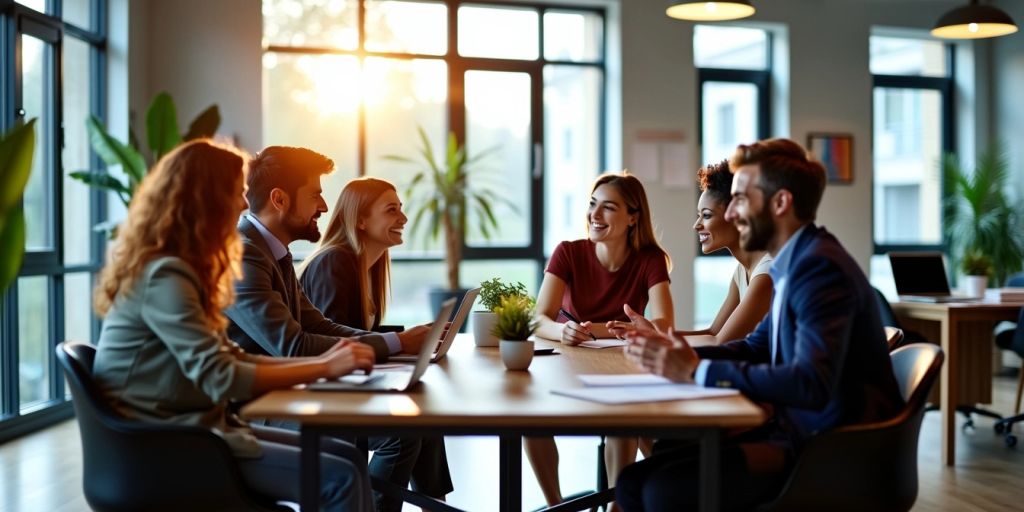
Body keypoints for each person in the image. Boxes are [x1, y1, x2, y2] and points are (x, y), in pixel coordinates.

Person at [617, 138, 904, 511]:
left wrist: (697, 370)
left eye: (740, 199)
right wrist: (676, 354)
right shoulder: (796, 261)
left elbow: (809, 382)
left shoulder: (819, 269)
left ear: (780, 203)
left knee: (659, 490)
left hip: (831, 454)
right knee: (634, 480)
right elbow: (756, 345)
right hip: (800, 436)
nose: (732, 213)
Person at [91, 139, 376, 511]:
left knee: (349, 459)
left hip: (196, 430)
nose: (244, 204)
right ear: (204, 201)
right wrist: (324, 366)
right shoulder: (166, 275)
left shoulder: (182, 268)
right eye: (236, 193)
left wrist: (331, 361)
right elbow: (220, 375)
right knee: (340, 478)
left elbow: (230, 356)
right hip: (166, 446)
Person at [224, 146, 452, 512]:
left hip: (284, 390)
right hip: (255, 404)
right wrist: (394, 343)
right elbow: (294, 346)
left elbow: (319, 324)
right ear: (279, 199)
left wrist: (398, 342)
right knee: (401, 428)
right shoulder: (244, 254)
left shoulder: (273, 253)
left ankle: (427, 503)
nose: (325, 207)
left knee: (412, 418)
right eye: (315, 194)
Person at [529, 172, 675, 507]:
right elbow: (539, 318)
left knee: (623, 420)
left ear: (633, 218)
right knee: (531, 418)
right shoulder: (567, 253)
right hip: (566, 362)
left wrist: (602, 328)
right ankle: (556, 505)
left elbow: (665, 324)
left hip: (619, 367)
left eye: (608, 208)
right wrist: (562, 330)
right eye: (592, 205)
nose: (594, 216)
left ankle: (616, 504)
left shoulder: (649, 259)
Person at [611, 160, 772, 347]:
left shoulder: (766, 273)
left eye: (707, 215)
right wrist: (651, 332)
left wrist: (656, 338)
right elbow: (713, 332)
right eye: (699, 215)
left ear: (736, 216)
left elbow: (719, 341)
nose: (697, 225)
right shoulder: (741, 271)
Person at [299, 177, 405, 331]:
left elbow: (358, 334)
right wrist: (401, 341)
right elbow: (335, 339)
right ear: (360, 220)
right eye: (391, 210)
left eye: (400, 209)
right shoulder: (333, 261)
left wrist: (418, 336)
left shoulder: (370, 268)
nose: (404, 219)